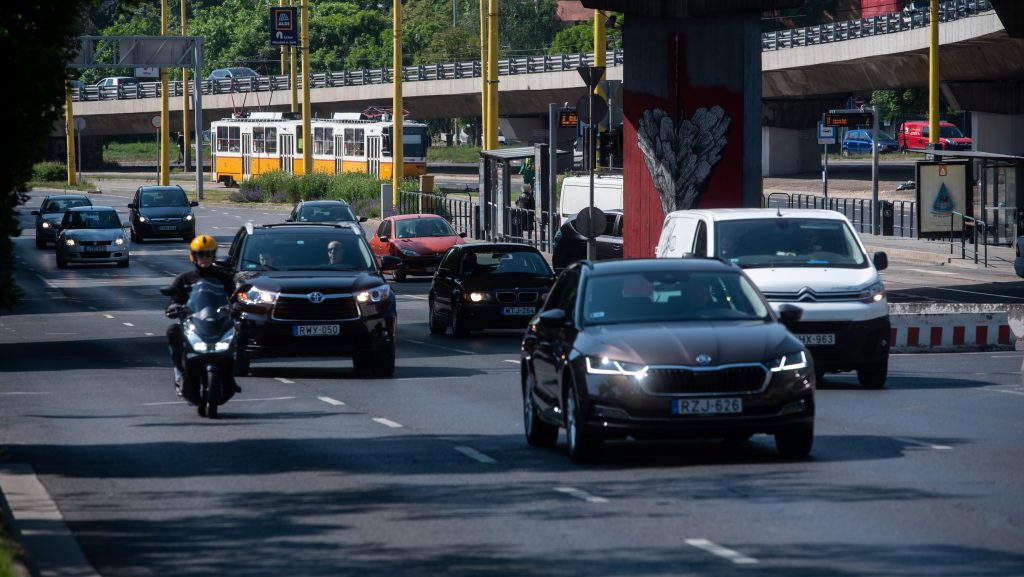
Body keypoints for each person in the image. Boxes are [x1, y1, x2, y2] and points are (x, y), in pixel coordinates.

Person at [165, 235, 238, 396]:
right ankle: (180, 375)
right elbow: (173, 300)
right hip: (193, 326)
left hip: (218, 324)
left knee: (243, 328)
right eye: (200, 254)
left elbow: (234, 298)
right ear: (193, 255)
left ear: (213, 255)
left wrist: (237, 307)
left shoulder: (223, 278)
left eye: (208, 254)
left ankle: (233, 372)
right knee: (172, 330)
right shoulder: (184, 279)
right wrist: (174, 306)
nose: (204, 258)